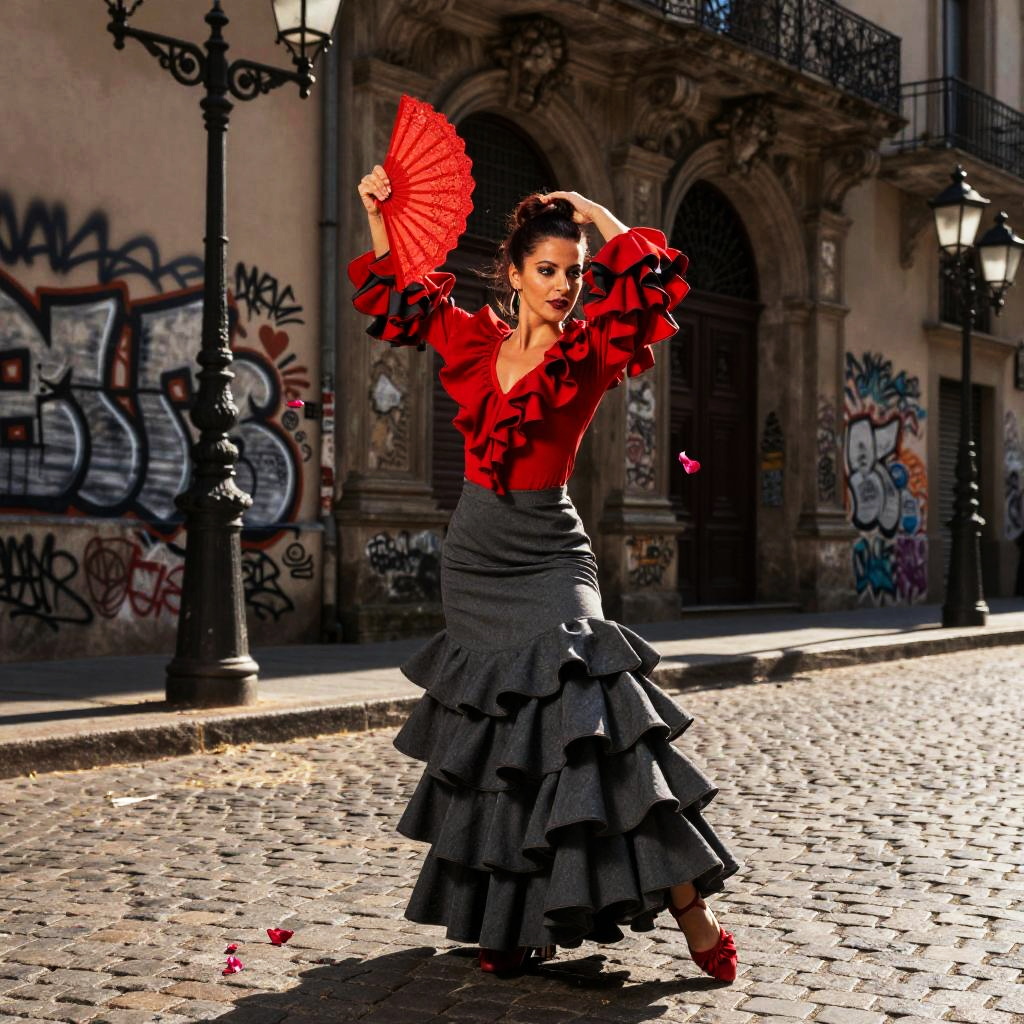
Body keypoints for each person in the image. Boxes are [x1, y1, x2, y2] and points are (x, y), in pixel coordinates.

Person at [349, 163, 740, 980]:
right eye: (549, 270)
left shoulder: (591, 350)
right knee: (500, 748)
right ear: (515, 273)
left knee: (597, 715)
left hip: (551, 551)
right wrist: (380, 214)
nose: (565, 285)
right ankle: (508, 922)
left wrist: (598, 213)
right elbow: (401, 295)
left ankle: (689, 903)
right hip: (477, 554)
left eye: (576, 272)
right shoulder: (470, 340)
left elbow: (649, 281)